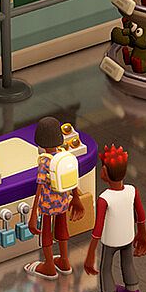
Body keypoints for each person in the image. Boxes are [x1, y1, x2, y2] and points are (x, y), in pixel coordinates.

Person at [82, 144, 146, 292]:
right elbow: (141, 215)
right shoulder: (132, 190)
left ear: (104, 171)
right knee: (127, 263)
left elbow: (98, 229)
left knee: (106, 267)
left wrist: (90, 254)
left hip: (111, 241)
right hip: (128, 237)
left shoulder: (104, 198)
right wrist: (143, 234)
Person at [26, 117, 83, 279]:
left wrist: (33, 214)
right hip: (63, 200)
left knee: (46, 232)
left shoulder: (44, 161)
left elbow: (39, 187)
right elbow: (72, 178)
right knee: (62, 228)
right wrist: (76, 197)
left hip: (47, 204)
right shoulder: (63, 155)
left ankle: (49, 266)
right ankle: (64, 261)